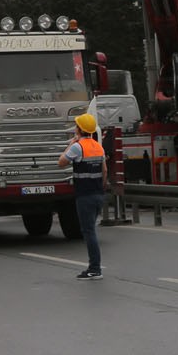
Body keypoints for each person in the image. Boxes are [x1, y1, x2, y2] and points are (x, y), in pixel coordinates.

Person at [59, 112, 106, 280]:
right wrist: (101, 188)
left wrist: (70, 144)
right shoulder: (98, 146)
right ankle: (94, 267)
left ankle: (94, 269)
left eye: (76, 125)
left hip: (84, 195)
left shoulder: (78, 146)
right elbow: (104, 171)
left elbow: (61, 162)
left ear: (79, 129)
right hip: (98, 194)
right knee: (90, 230)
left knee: (89, 232)